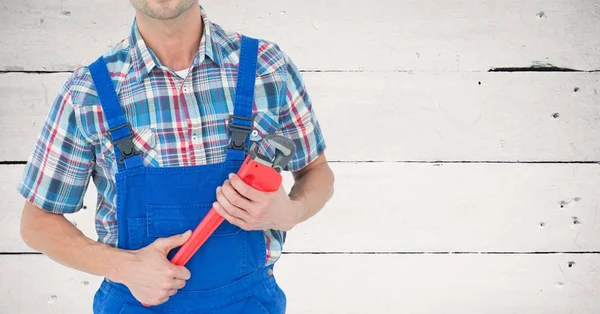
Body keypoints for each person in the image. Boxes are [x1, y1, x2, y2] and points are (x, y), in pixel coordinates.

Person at [17, 1, 334, 313]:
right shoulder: (88, 92)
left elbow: (317, 172)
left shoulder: (267, 66)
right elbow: (37, 223)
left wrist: (291, 212)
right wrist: (124, 267)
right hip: (138, 305)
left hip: (249, 304)